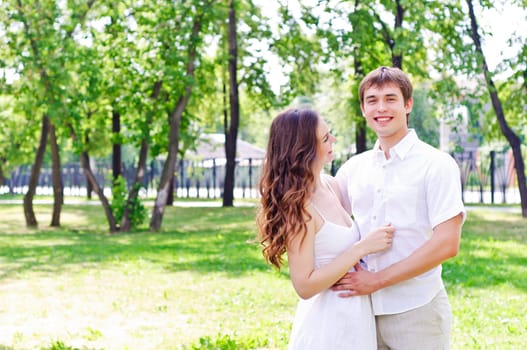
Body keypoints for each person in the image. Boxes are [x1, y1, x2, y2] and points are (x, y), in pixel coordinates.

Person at [334, 66, 465, 350]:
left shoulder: (436, 164)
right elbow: (328, 223)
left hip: (417, 309)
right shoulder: (352, 169)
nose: (381, 108)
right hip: (360, 311)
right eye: (372, 100)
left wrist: (376, 281)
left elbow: (447, 244)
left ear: (407, 104)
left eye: (390, 98)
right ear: (363, 108)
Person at [256, 108, 395, 349]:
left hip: (356, 317)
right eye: (324, 138)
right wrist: (361, 248)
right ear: (304, 150)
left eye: (329, 134)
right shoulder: (300, 208)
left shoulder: (330, 185)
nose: (333, 140)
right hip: (327, 324)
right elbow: (304, 285)